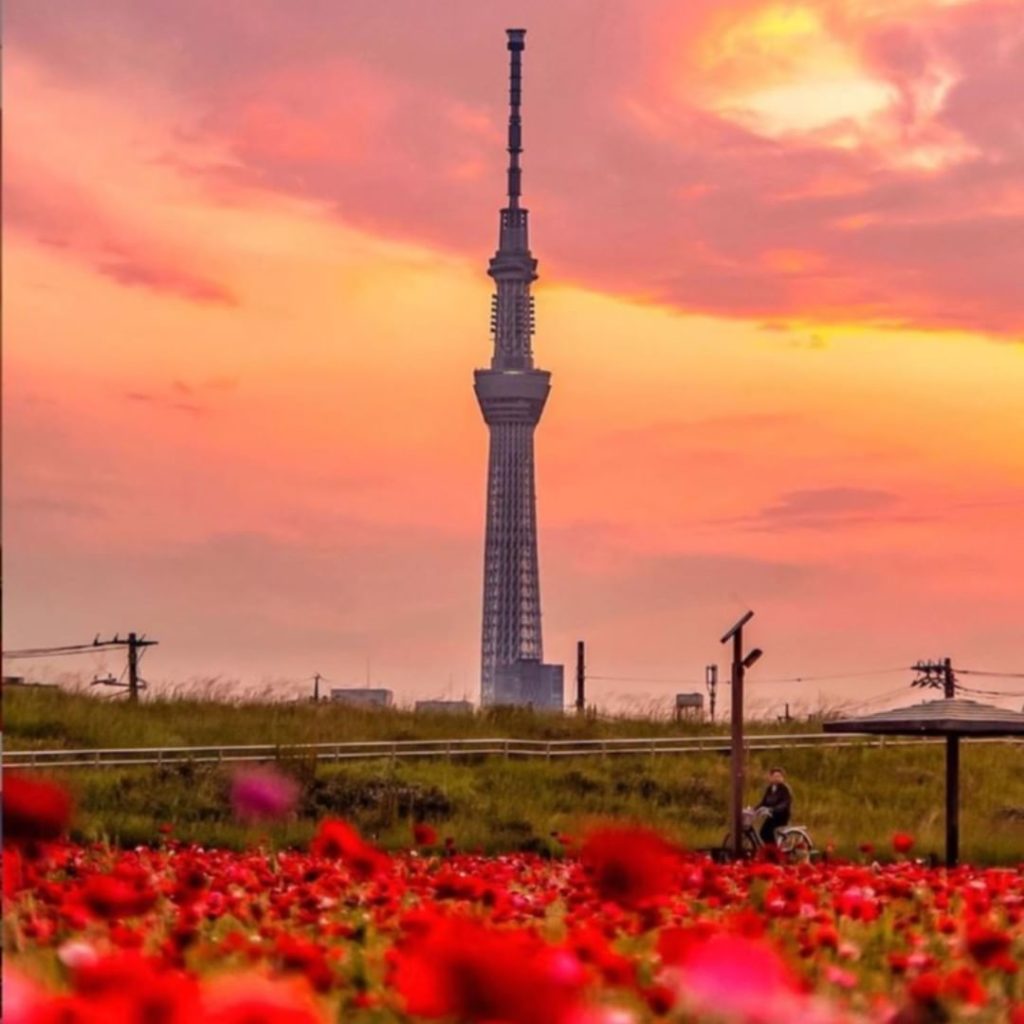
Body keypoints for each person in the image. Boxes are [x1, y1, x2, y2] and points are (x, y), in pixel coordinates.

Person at [756, 767, 792, 846]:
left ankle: (774, 850)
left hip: (781, 815)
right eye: (775, 776)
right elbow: (764, 802)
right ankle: (770, 849)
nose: (777, 778)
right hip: (771, 815)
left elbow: (785, 803)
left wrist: (773, 809)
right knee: (763, 833)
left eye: (779, 776)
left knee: (769, 832)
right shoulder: (769, 788)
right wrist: (754, 809)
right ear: (771, 777)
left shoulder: (785, 789)